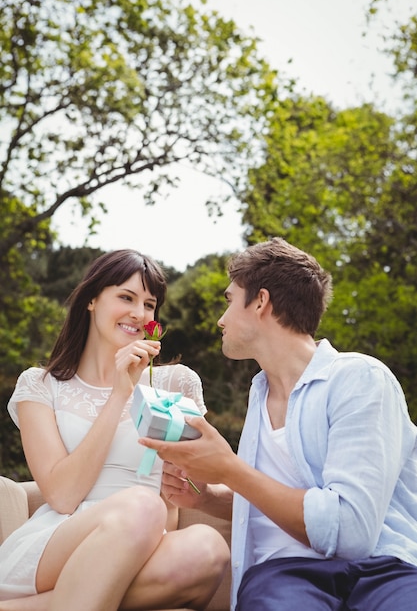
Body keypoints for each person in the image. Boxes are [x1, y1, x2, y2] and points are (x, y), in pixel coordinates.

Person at [140, 237, 417, 611]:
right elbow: (278, 498)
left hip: (382, 570)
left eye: (229, 300)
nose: (221, 320)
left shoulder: (361, 379)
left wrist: (229, 468)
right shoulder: (259, 393)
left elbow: (350, 532)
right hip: (284, 577)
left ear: (260, 301)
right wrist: (207, 497)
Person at [0, 249, 229, 611]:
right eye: (126, 297)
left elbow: (170, 508)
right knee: (143, 504)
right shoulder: (40, 385)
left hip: (146, 546)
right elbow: (62, 495)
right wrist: (121, 391)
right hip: (58, 540)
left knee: (208, 547)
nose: (139, 314)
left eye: (149, 304)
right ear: (91, 299)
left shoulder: (176, 384)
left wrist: (179, 484)